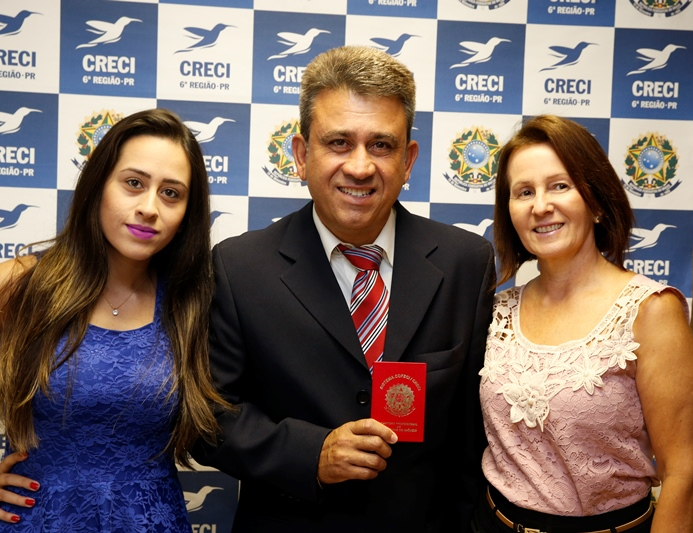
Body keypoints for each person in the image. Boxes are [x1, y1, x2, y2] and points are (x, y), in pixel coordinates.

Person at [190, 45, 496, 532]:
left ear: (408, 160)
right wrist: (311, 453)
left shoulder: (465, 263)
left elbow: (475, 436)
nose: (359, 166)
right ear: (301, 155)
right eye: (338, 142)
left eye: (381, 145)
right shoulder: (239, 267)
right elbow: (207, 418)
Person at [0, 108, 228, 532]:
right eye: (133, 183)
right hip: (35, 521)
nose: (149, 208)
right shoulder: (23, 284)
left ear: (187, 213)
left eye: (171, 193)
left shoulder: (192, 303)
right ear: (98, 185)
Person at [474, 114, 693, 533]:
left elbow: (684, 473)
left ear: (596, 201)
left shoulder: (651, 311)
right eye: (524, 192)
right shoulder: (499, 311)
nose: (540, 206)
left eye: (559, 186)